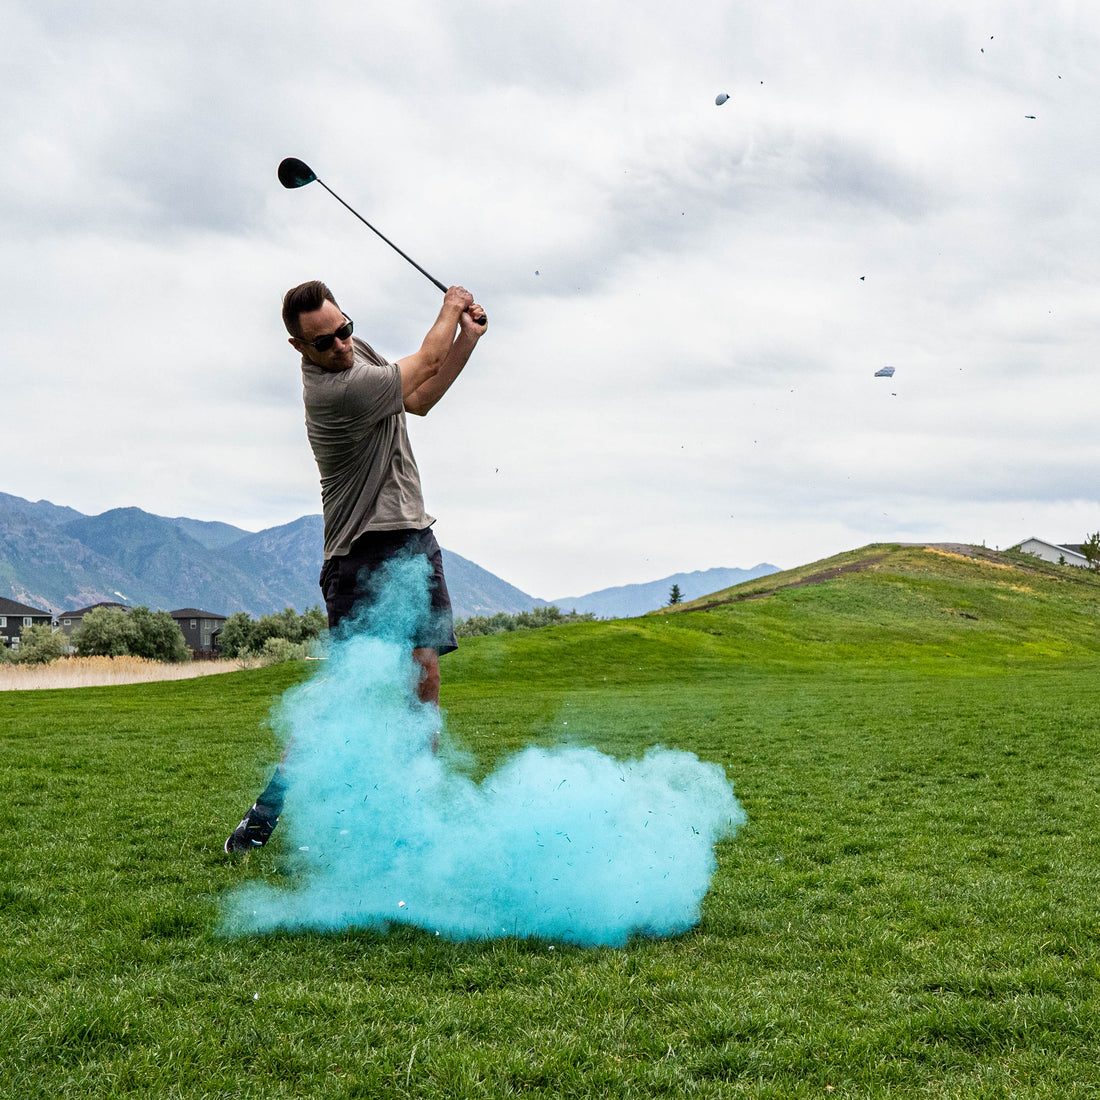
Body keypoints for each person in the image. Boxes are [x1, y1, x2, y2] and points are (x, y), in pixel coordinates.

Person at [225, 280, 487, 853]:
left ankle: (417, 816)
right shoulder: (334, 391)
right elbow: (425, 360)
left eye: (344, 329)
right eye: (325, 342)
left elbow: (419, 397)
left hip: (414, 541)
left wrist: (466, 337)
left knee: (425, 680)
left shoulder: (356, 350)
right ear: (299, 348)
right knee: (347, 692)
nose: (342, 345)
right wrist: (450, 307)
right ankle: (270, 806)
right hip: (359, 554)